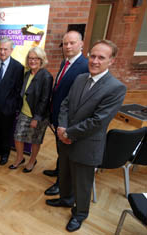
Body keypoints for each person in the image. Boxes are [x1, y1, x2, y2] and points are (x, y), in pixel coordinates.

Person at [46, 40, 127, 232]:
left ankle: (80, 213)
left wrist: (68, 133)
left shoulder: (116, 88)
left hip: (86, 144)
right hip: (65, 138)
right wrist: (62, 127)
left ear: (111, 61)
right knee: (64, 174)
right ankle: (65, 199)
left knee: (82, 184)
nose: (95, 61)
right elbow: (65, 104)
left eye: (101, 57)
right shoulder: (81, 78)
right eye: (93, 56)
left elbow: (98, 121)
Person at [43, 31, 89, 196]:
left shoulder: (85, 66)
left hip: (69, 120)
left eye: (72, 43)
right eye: (65, 43)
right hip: (58, 116)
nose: (68, 46)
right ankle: (58, 170)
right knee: (60, 150)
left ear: (81, 44)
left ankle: (61, 183)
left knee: (66, 153)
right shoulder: (65, 62)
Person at [10, 47, 53, 172]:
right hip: (24, 112)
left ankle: (32, 160)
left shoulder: (46, 76)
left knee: (35, 140)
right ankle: (19, 158)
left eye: (36, 58)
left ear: (41, 60)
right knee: (18, 136)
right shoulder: (27, 74)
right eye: (30, 58)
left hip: (38, 115)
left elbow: (45, 99)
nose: (32, 61)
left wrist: (37, 118)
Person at [0, 38, 24, 166]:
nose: (2, 52)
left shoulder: (18, 67)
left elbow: (18, 90)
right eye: (0, 49)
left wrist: (13, 107)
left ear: (11, 50)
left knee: (6, 132)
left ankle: (5, 154)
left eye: (5, 49)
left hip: (7, 108)